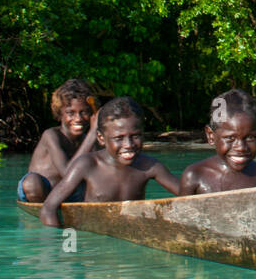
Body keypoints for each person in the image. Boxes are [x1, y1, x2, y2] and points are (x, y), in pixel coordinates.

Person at [39, 96, 180, 227]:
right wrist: (57, 247)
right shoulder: (87, 165)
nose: (129, 144)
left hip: (129, 230)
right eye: (119, 138)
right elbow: (48, 208)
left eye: (135, 136)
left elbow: (189, 195)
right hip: (92, 235)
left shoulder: (150, 166)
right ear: (101, 138)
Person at [179, 89, 256, 195]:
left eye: (250, 137)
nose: (241, 147)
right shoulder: (195, 175)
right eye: (230, 138)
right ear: (211, 136)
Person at [18, 79, 97, 203]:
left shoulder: (88, 141)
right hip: (43, 193)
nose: (78, 118)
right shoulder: (51, 135)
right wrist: (92, 134)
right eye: (70, 113)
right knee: (31, 182)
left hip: (70, 195)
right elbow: (67, 173)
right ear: (60, 113)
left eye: (84, 112)